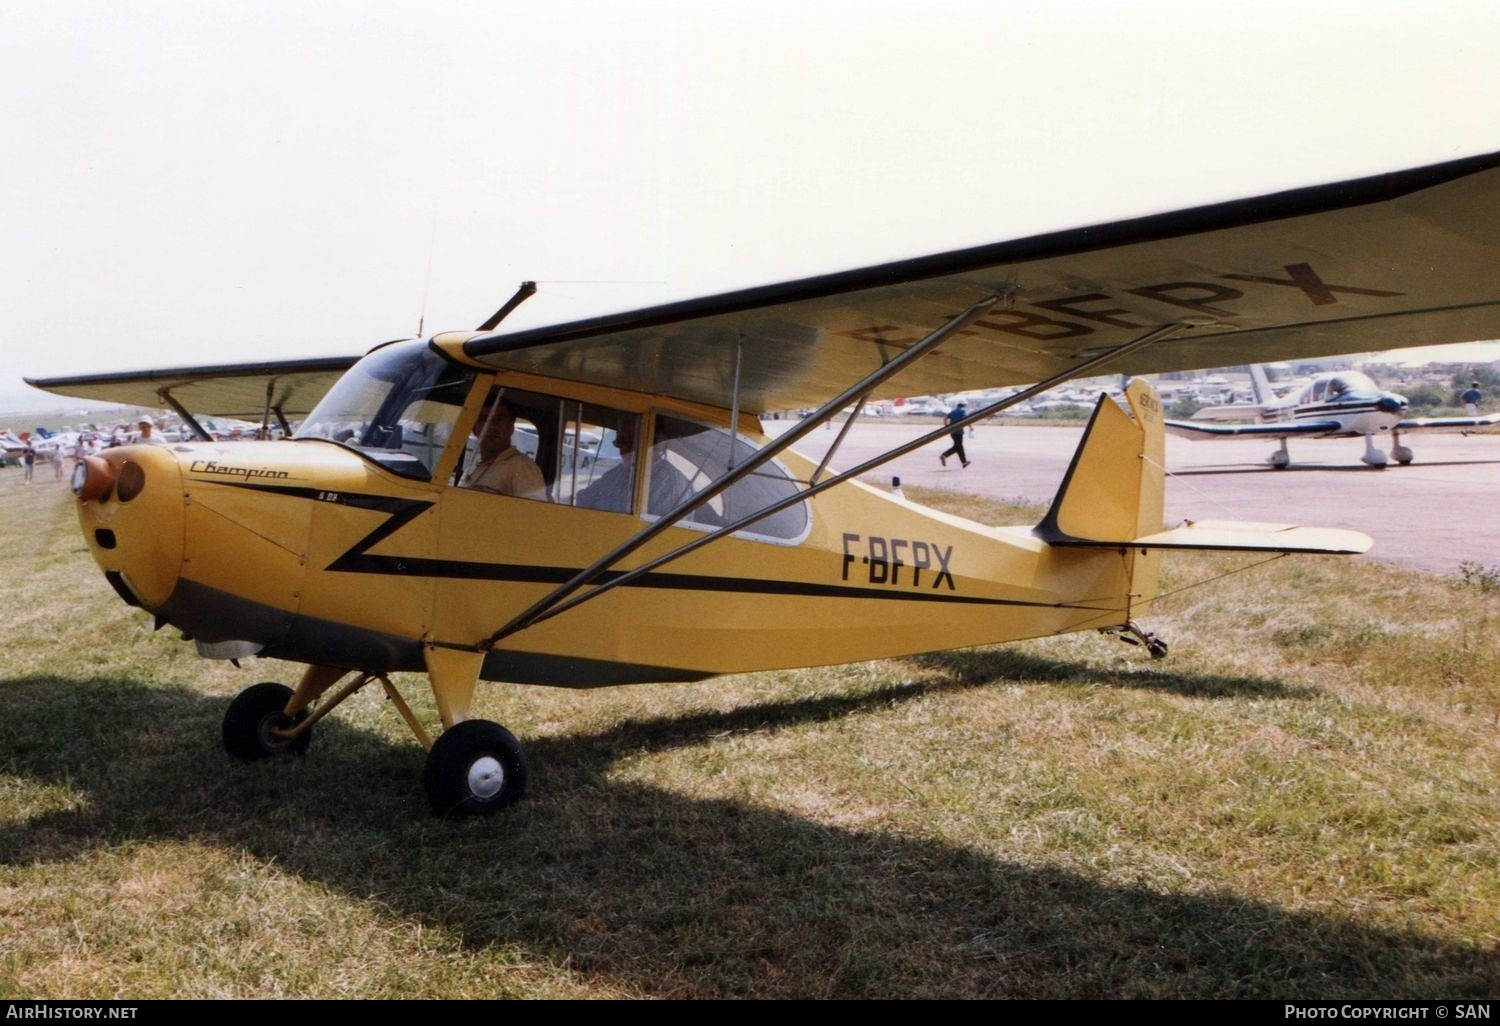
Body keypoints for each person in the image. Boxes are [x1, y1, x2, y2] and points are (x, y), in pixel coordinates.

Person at [460, 397, 546, 500]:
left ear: (511, 428)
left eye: (499, 419)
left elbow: (535, 513)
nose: (491, 426)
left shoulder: (521, 466)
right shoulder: (476, 466)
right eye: (484, 419)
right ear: (475, 429)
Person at [939, 401, 970, 468]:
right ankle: (944, 455)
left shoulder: (953, 411)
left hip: (952, 432)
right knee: (957, 447)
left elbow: (945, 418)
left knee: (959, 447)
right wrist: (970, 427)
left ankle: (964, 462)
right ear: (964, 406)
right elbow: (966, 419)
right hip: (959, 432)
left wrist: (946, 426)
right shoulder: (963, 411)